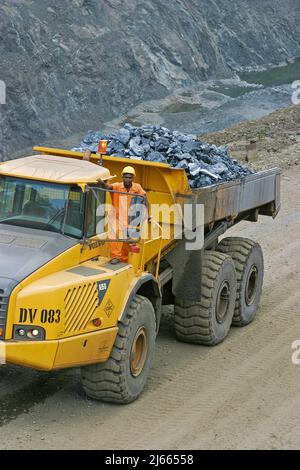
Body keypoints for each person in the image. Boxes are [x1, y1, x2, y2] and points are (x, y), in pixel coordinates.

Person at [83, 149, 149, 262]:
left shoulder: (136, 188)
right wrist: (102, 183)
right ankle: (115, 257)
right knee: (115, 236)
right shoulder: (117, 186)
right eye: (126, 176)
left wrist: (147, 214)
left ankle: (124, 258)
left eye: (130, 177)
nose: (128, 179)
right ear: (122, 177)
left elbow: (145, 199)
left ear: (133, 178)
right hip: (117, 218)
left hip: (130, 219)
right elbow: (108, 188)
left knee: (129, 239)